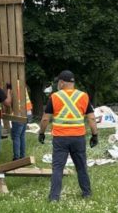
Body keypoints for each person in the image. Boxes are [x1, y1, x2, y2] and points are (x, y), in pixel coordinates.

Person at [38, 70, 98, 201]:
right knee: (81, 167)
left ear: (61, 82)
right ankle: (87, 193)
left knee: (58, 168)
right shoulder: (83, 96)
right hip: (78, 137)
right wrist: (95, 135)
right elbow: (92, 118)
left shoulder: (55, 97)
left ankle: (54, 197)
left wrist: (41, 133)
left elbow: (45, 119)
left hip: (60, 138)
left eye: (58, 82)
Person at [10, 85, 33, 160]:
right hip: (27, 112)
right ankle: (22, 156)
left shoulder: (12, 85)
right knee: (22, 135)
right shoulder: (20, 83)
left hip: (19, 113)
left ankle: (16, 158)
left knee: (16, 136)